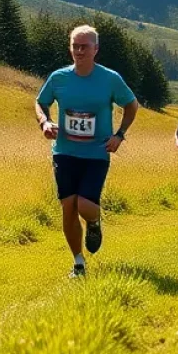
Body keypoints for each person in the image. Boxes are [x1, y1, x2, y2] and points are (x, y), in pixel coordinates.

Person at [35, 24, 139, 277]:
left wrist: (119, 135)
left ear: (96, 49)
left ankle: (94, 222)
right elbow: (40, 102)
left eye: (85, 46)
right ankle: (78, 262)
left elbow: (132, 105)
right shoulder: (59, 78)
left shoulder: (110, 79)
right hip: (64, 152)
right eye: (75, 46)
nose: (79, 51)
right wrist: (45, 121)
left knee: (85, 205)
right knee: (68, 207)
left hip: (96, 153)